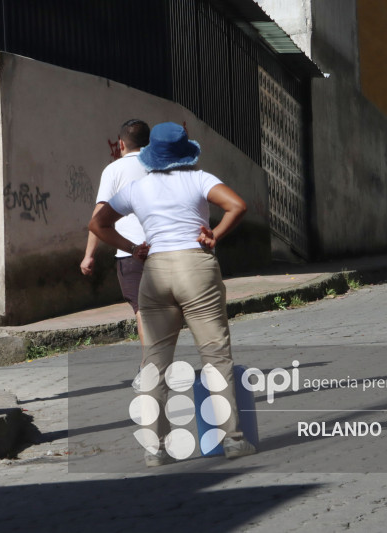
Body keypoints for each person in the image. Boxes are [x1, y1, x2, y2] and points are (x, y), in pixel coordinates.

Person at [89, 121, 256, 465]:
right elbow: (237, 205)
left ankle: (155, 449)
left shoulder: (137, 188)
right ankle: (234, 440)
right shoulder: (199, 179)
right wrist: (214, 234)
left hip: (156, 271)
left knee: (155, 363)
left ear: (152, 155)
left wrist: (133, 247)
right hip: (196, 269)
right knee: (215, 357)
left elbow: (98, 223)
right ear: (185, 153)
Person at [80, 119, 150, 390]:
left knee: (143, 311)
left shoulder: (114, 169)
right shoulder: (162, 165)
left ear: (121, 143)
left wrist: (89, 255)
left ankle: (150, 367)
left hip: (131, 252)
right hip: (164, 247)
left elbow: (99, 216)